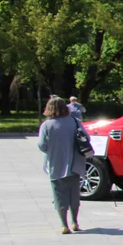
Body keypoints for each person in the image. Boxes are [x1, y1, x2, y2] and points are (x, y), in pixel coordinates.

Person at [37, 97, 87, 234]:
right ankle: (75, 222)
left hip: (56, 164)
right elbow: (86, 139)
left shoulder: (46, 125)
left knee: (59, 195)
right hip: (75, 163)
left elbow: (42, 146)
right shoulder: (75, 121)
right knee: (74, 194)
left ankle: (64, 224)